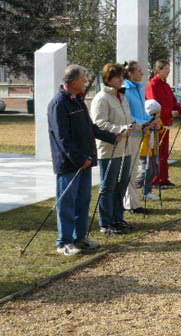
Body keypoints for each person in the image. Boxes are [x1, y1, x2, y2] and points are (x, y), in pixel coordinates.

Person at [48, 65, 124, 255]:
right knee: (67, 203)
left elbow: (90, 128)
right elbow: (62, 138)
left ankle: (80, 238)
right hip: (69, 164)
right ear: (73, 81)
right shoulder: (59, 103)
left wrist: (113, 137)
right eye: (83, 79)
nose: (86, 81)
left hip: (85, 162)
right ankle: (64, 242)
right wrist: (79, 158)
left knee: (83, 201)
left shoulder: (79, 100)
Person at [91, 63, 140, 235]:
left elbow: (129, 119)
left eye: (122, 76)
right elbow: (99, 124)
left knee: (122, 184)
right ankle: (106, 223)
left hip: (126, 148)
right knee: (108, 186)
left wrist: (142, 125)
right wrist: (120, 129)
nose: (121, 79)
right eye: (117, 77)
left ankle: (118, 218)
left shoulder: (122, 97)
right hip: (109, 149)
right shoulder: (101, 98)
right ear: (108, 79)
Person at [145, 60, 181, 188]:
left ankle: (163, 178)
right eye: (166, 69)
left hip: (166, 123)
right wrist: (169, 113)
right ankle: (155, 180)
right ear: (158, 70)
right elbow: (153, 105)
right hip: (157, 123)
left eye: (169, 69)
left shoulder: (166, 85)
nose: (168, 71)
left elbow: (173, 101)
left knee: (164, 152)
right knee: (156, 152)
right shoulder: (153, 85)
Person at [122, 61, 156, 214]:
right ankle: (130, 204)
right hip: (131, 134)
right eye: (139, 71)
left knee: (134, 169)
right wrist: (144, 123)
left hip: (140, 132)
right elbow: (128, 115)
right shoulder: (126, 90)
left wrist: (150, 120)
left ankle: (133, 202)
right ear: (130, 73)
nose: (142, 74)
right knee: (130, 170)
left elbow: (142, 112)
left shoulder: (139, 89)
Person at [138, 99, 164, 202]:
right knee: (145, 171)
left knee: (152, 171)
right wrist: (149, 128)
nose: (158, 115)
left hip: (154, 149)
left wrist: (158, 127)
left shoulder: (158, 119)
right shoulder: (143, 119)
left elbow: (161, 129)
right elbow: (141, 132)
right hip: (144, 150)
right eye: (156, 113)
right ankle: (135, 186)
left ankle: (147, 192)